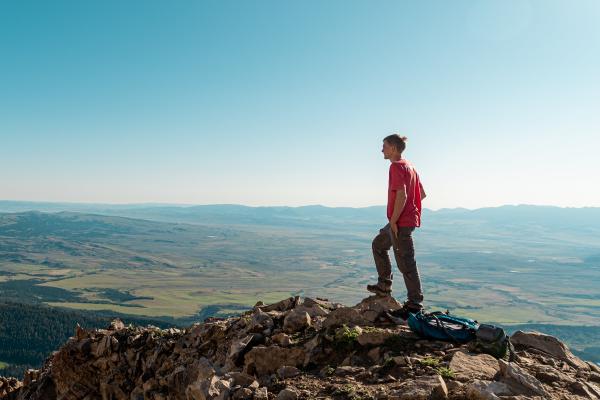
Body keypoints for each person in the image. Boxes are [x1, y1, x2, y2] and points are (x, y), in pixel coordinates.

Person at [367, 134, 426, 316]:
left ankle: (414, 304)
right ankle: (384, 285)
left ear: (393, 147)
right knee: (378, 244)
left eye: (384, 146)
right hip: (402, 219)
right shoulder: (410, 167)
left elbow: (403, 195)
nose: (381, 149)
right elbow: (421, 194)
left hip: (400, 222)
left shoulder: (396, 167)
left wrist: (394, 220)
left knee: (406, 262)